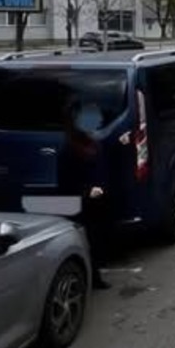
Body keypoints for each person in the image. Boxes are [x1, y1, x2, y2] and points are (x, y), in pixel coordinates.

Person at [59, 96, 112, 290]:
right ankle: (87, 279)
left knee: (97, 240)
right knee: (86, 241)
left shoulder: (92, 142)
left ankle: (95, 276)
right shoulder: (69, 149)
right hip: (83, 205)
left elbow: (101, 166)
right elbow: (65, 184)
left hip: (97, 203)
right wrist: (87, 192)